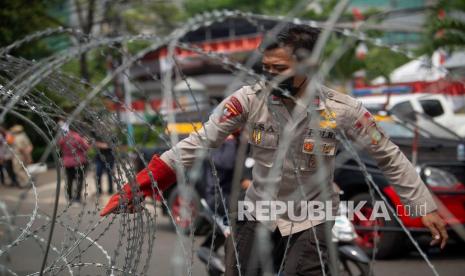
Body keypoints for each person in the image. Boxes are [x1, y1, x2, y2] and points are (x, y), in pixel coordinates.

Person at [101, 24, 448, 275]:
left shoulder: (345, 110)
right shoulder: (247, 101)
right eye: (265, 69)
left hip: (312, 215)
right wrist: (143, 184)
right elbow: (198, 142)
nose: (269, 77)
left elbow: (387, 155)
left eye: (279, 70)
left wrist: (423, 206)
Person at [57, 122, 89, 203]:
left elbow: (60, 146)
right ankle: (78, 198)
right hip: (79, 161)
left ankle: (69, 197)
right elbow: (85, 148)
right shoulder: (78, 138)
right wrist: (86, 141)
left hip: (67, 162)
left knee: (69, 180)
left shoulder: (64, 138)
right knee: (79, 179)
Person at [92, 131, 115, 195]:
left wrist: (98, 144)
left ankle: (110, 190)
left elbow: (109, 146)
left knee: (109, 175)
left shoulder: (112, 136)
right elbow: (94, 145)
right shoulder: (98, 136)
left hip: (109, 158)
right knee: (98, 174)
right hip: (100, 159)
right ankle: (99, 191)